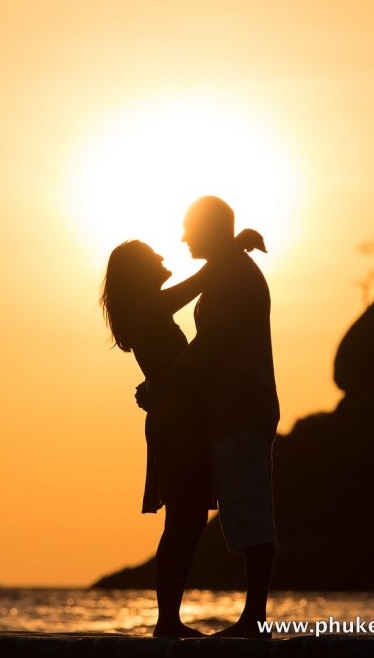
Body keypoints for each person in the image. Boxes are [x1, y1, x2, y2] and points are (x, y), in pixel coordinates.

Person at [100, 228, 265, 638]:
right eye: (153, 257)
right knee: (182, 524)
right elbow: (201, 282)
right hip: (179, 427)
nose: (162, 258)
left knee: (185, 523)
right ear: (139, 272)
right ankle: (168, 621)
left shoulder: (146, 309)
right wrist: (232, 247)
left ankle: (169, 620)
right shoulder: (148, 308)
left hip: (178, 421)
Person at [143, 196, 280, 638]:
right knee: (244, 509)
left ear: (210, 229)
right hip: (229, 411)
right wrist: (233, 246)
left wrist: (161, 385)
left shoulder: (234, 276)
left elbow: (210, 346)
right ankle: (249, 618)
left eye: (189, 228)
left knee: (251, 510)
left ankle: (254, 620)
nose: (183, 237)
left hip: (242, 409)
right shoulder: (226, 270)